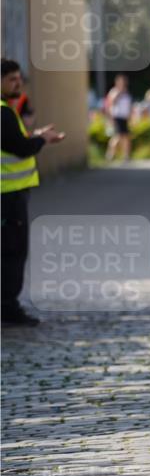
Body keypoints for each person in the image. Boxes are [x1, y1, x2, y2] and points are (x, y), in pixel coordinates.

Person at [1, 59, 65, 326]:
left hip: (10, 195)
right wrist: (41, 140)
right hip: (8, 196)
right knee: (12, 252)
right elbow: (19, 148)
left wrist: (35, 134)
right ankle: (8, 307)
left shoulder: (7, 112)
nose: (18, 83)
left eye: (19, 78)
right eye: (12, 78)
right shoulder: (3, 112)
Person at [104, 74, 132, 162]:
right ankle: (110, 155)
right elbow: (111, 104)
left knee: (126, 137)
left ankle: (126, 156)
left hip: (124, 117)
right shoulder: (114, 91)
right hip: (117, 117)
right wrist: (110, 118)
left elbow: (128, 105)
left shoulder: (126, 93)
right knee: (118, 137)